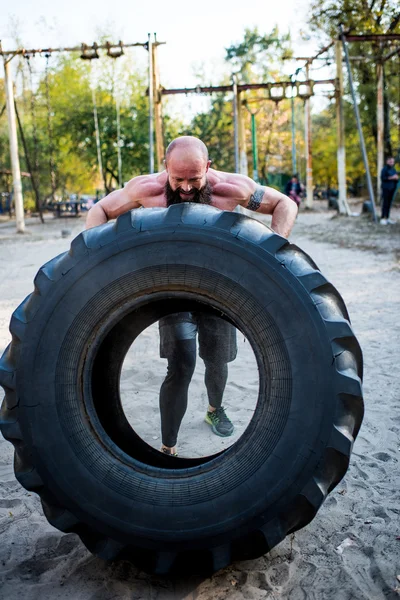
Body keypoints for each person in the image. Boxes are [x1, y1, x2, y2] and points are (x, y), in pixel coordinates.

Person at [86, 136, 298, 455]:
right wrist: (97, 261)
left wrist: (273, 253)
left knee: (217, 360)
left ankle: (214, 409)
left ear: (208, 167)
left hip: (220, 291)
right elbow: (100, 210)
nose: (185, 187)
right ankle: (168, 447)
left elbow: (286, 204)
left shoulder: (230, 188)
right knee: (181, 365)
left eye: (194, 178)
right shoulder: (148, 190)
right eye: (178, 178)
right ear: (165, 168)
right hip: (171, 291)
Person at [380, 156, 398, 225]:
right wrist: (391, 177)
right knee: (385, 203)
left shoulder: (393, 169)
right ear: (387, 161)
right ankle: (382, 218)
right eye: (390, 161)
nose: (392, 163)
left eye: (393, 162)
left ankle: (387, 217)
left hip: (392, 189)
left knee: (389, 204)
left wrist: (396, 178)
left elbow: (396, 178)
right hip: (386, 189)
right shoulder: (384, 169)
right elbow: (383, 178)